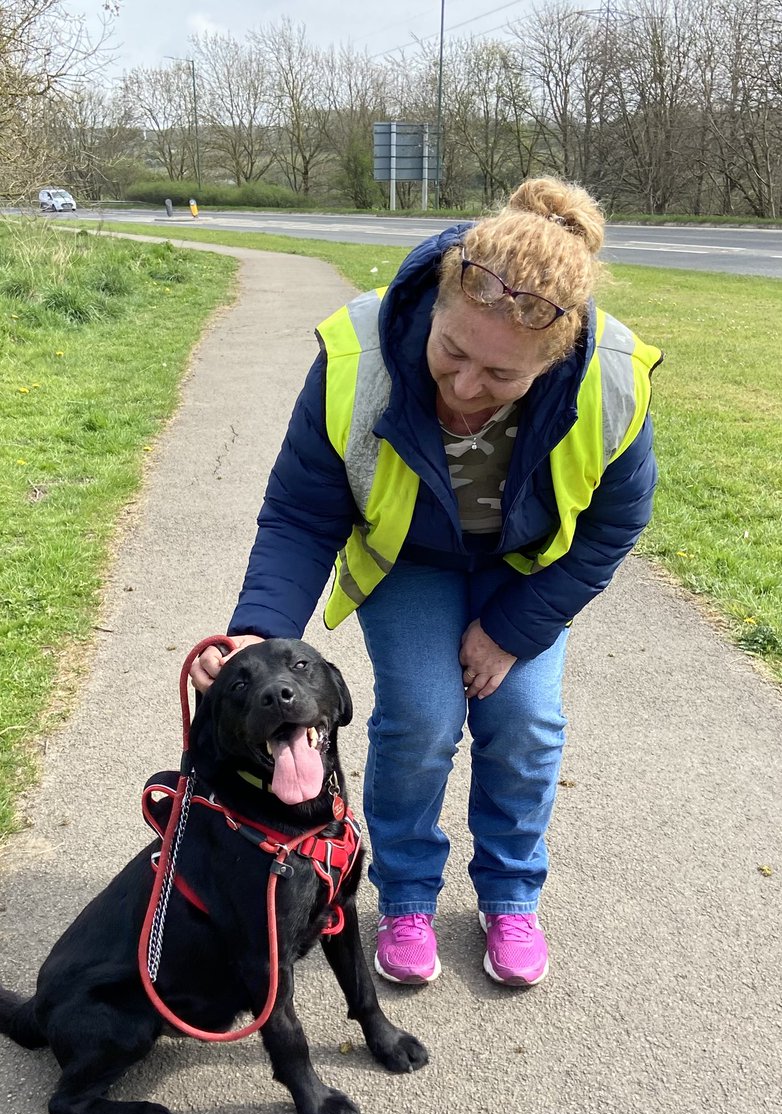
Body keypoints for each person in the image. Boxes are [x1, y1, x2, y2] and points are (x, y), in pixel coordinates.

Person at [191, 176, 661, 988]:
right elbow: (303, 514)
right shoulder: (357, 360)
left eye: (504, 377)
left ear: (554, 359)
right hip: (409, 560)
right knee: (422, 719)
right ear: (437, 304)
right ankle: (406, 895)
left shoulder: (610, 382)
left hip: (527, 573)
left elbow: (614, 527)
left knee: (525, 720)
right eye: (452, 353)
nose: (467, 390)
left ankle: (511, 896)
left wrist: (513, 631)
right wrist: (255, 632)